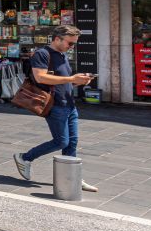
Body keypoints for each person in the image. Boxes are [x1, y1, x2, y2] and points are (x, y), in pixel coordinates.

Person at [14, 25, 98, 192]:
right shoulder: (42, 54)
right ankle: (24, 157)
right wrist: (71, 78)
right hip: (55, 105)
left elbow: (61, 79)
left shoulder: (62, 54)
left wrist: (78, 81)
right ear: (57, 39)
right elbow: (41, 77)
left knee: (72, 143)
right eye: (70, 43)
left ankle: (73, 178)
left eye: (74, 44)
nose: (72, 47)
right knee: (61, 141)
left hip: (69, 104)